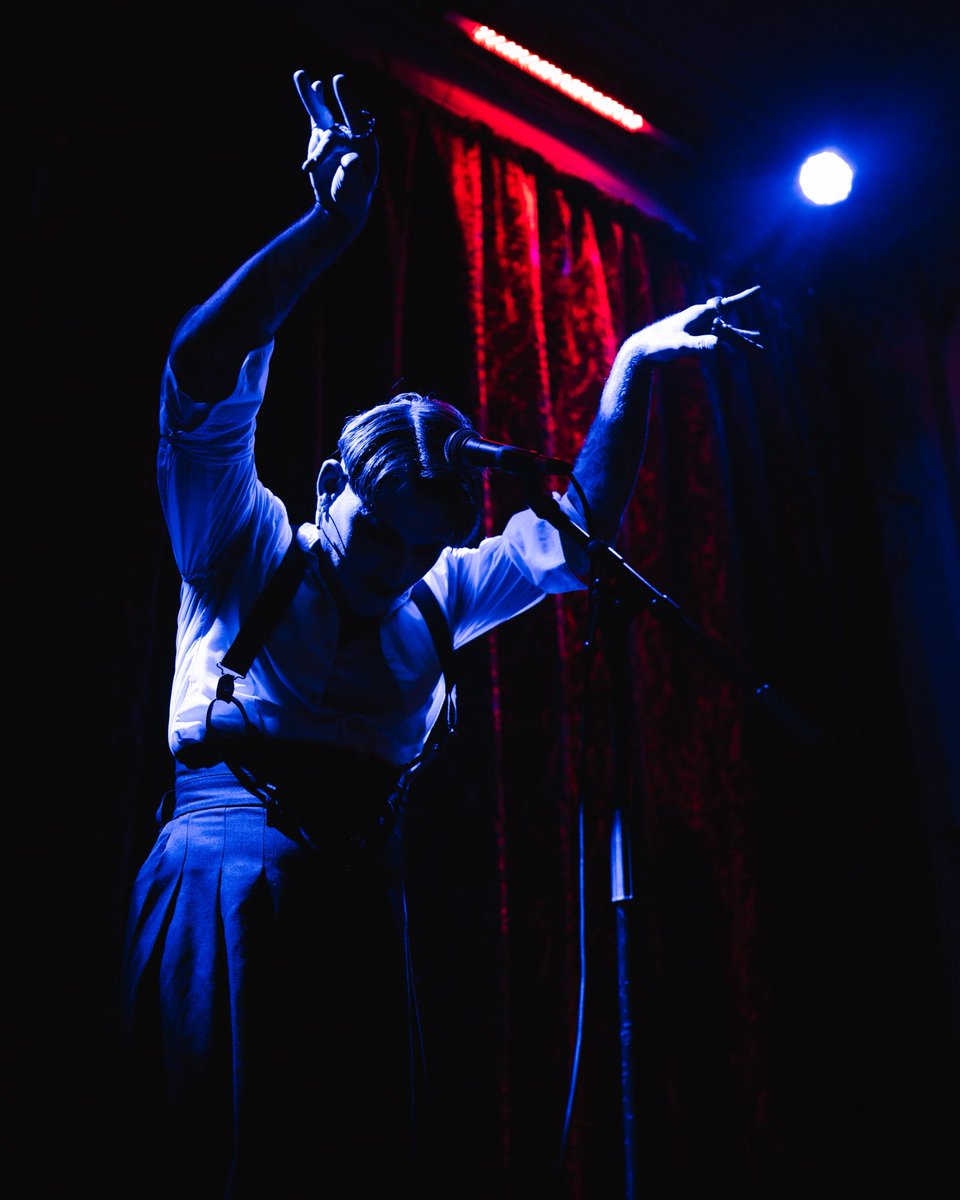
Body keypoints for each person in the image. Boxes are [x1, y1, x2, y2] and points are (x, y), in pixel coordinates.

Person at [86, 67, 760, 1199]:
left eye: (412, 546)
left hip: (356, 918)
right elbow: (199, 380)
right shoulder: (243, 551)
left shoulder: (439, 597)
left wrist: (632, 365)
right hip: (223, 897)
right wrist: (323, 229)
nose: (386, 563)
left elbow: (577, 534)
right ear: (330, 481)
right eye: (376, 531)